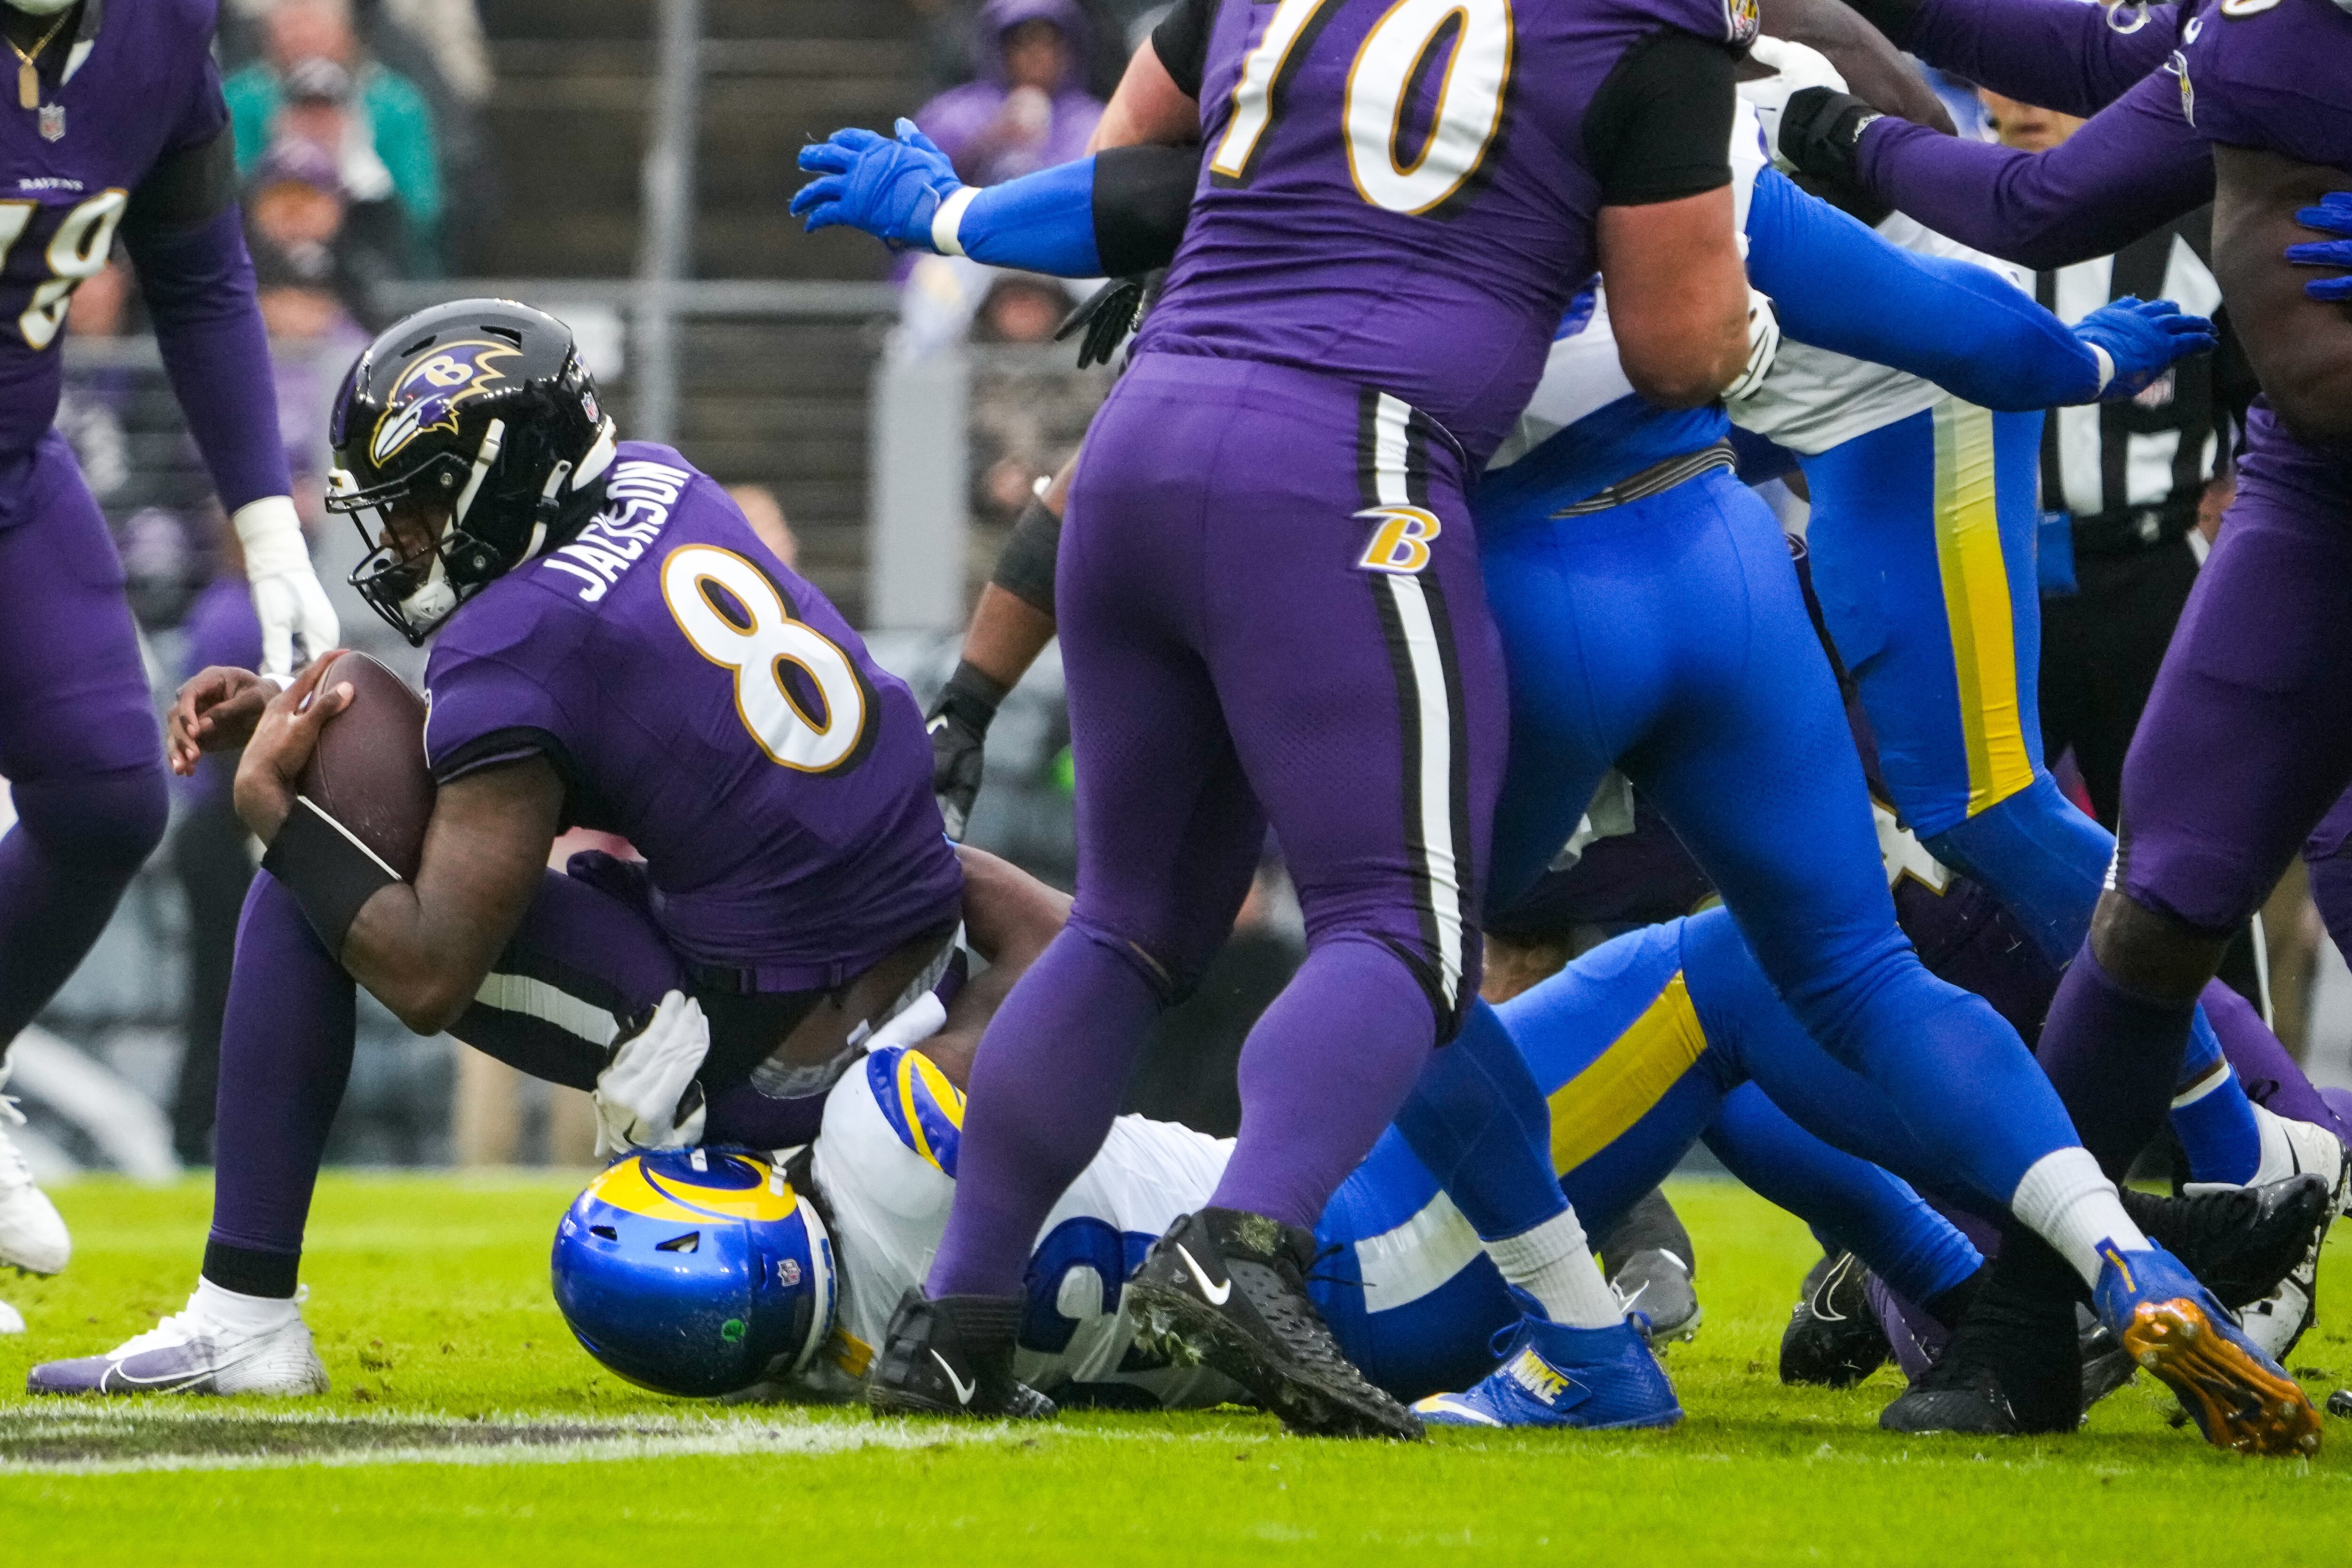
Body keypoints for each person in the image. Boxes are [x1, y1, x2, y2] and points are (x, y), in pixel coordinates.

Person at [794, 24, 2298, 1452]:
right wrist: (2084, 363)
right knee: (1835, 962)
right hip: (1687, 547)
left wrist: (953, 217)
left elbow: (1143, 192)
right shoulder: (1644, 72)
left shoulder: (1329, 86)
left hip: (1431, 551)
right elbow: (1879, 311)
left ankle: (1568, 1334)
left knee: (1347, 942)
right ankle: (2112, 1248)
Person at [841, 0, 1772, 1444]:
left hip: (1144, 444)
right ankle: (1243, 1243)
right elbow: (1672, 347)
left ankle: (956, 1319)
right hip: (1345, 455)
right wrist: (1755, 325)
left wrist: (967, 219)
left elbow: (1143, 174)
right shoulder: (1640, 38)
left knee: (1128, 927)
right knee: (1402, 923)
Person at [23, 300, 969, 1395]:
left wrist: (278, 810)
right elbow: (585, 731)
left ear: (502, 473)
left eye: (419, 507)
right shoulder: (670, 484)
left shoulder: (515, 636)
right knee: (340, 722)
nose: (402, 542)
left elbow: (428, 972)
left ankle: (244, 1318)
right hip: (899, 984)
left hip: (770, 1057)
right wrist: (301, 711)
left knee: (313, 866)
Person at [1773, 0, 2352, 1451]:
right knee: (2155, 897)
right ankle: (2026, 1328)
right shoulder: (2257, 26)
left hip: (2220, 514)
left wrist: (1836, 133)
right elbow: (2078, 106)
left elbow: (2051, 187)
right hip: (2312, 499)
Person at [0, 0, 338, 1291]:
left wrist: (269, 533)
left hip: (16, 470)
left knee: (102, 794)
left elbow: (199, 275)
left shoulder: (154, 30)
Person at [225, 0, 440, 269]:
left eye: (313, 25)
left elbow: (422, 210)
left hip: (377, 268)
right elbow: (223, 198)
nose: (303, 37)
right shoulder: (240, 100)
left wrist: (351, 180)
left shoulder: (396, 103)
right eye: (292, 26)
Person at [914, 0, 1104, 190]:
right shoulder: (955, 114)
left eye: (1048, 40)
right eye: (1021, 41)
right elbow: (915, 176)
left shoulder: (1095, 121)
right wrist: (987, 144)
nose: (1036, 54)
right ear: (1000, 48)